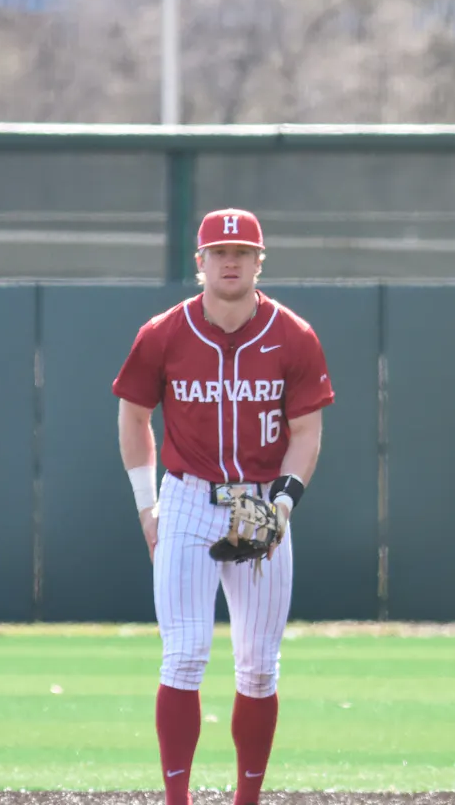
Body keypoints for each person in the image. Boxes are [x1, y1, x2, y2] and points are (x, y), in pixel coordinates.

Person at [112, 207, 334, 805]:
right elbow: (133, 416)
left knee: (259, 666)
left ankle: (247, 799)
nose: (230, 260)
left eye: (242, 251)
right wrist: (147, 506)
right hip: (187, 498)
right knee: (184, 655)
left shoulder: (294, 335)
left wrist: (284, 506)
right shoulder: (163, 332)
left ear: (261, 261)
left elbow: (306, 431)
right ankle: (177, 800)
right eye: (219, 251)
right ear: (200, 262)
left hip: (261, 500)